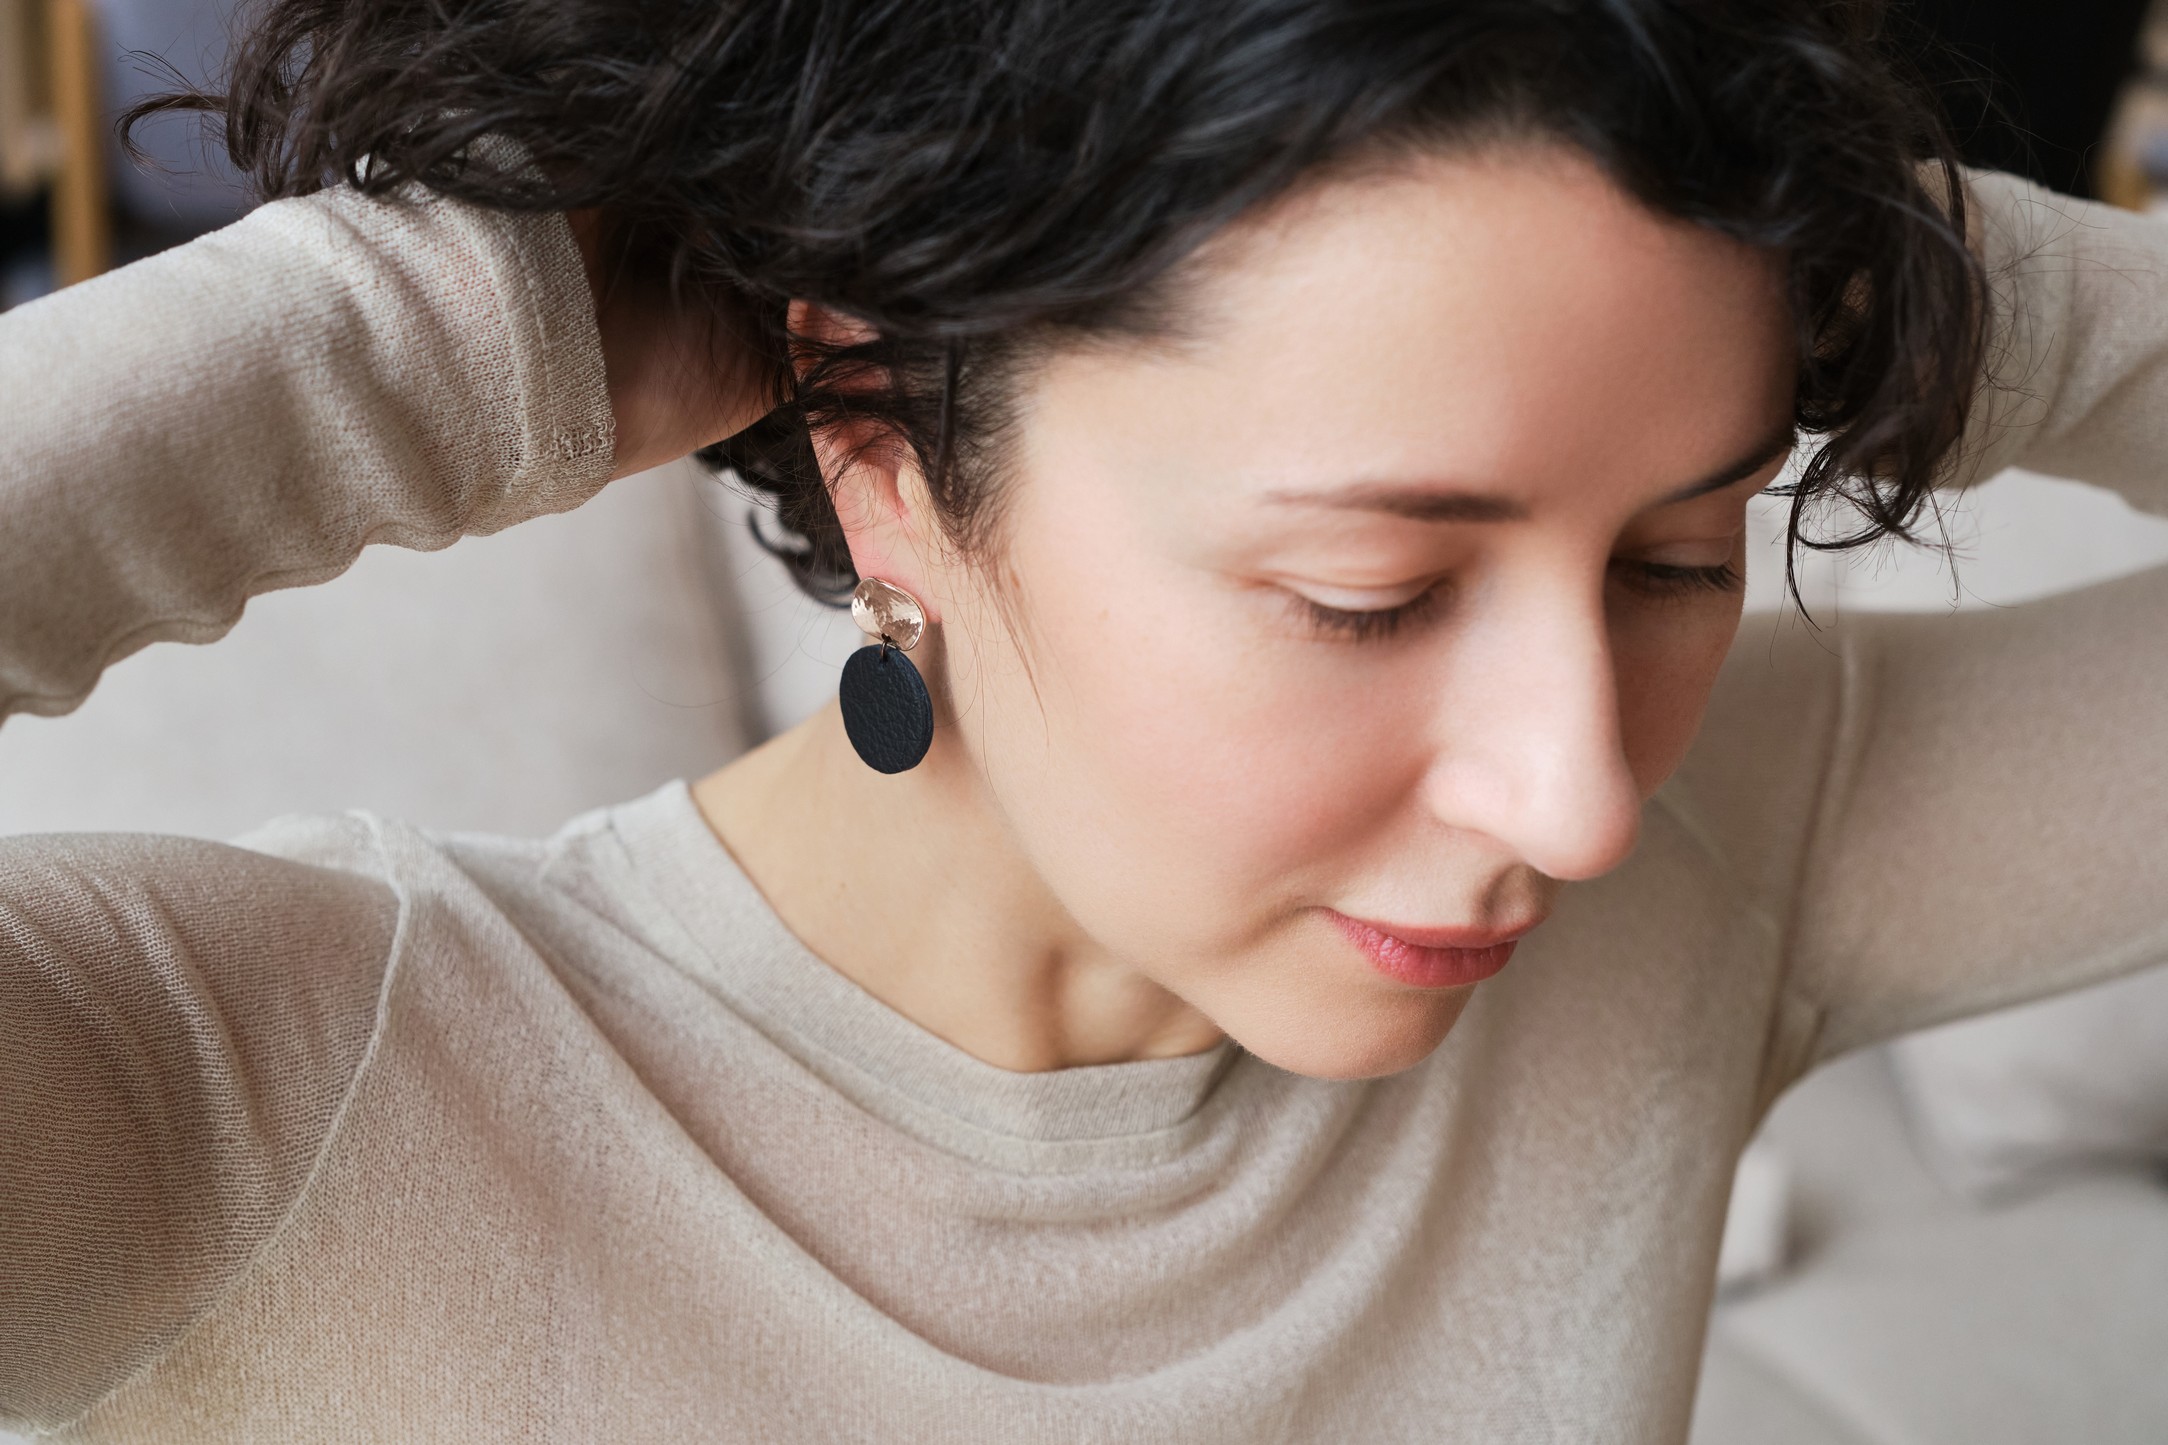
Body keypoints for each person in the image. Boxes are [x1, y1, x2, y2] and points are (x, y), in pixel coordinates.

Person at [3, 0, 2165, 1440]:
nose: (1579, 797)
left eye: (1676, 558)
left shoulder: (1728, 855)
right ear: (882, 454)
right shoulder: (243, 1105)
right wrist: (446, 340)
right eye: (1371, 595)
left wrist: (1927, 281)